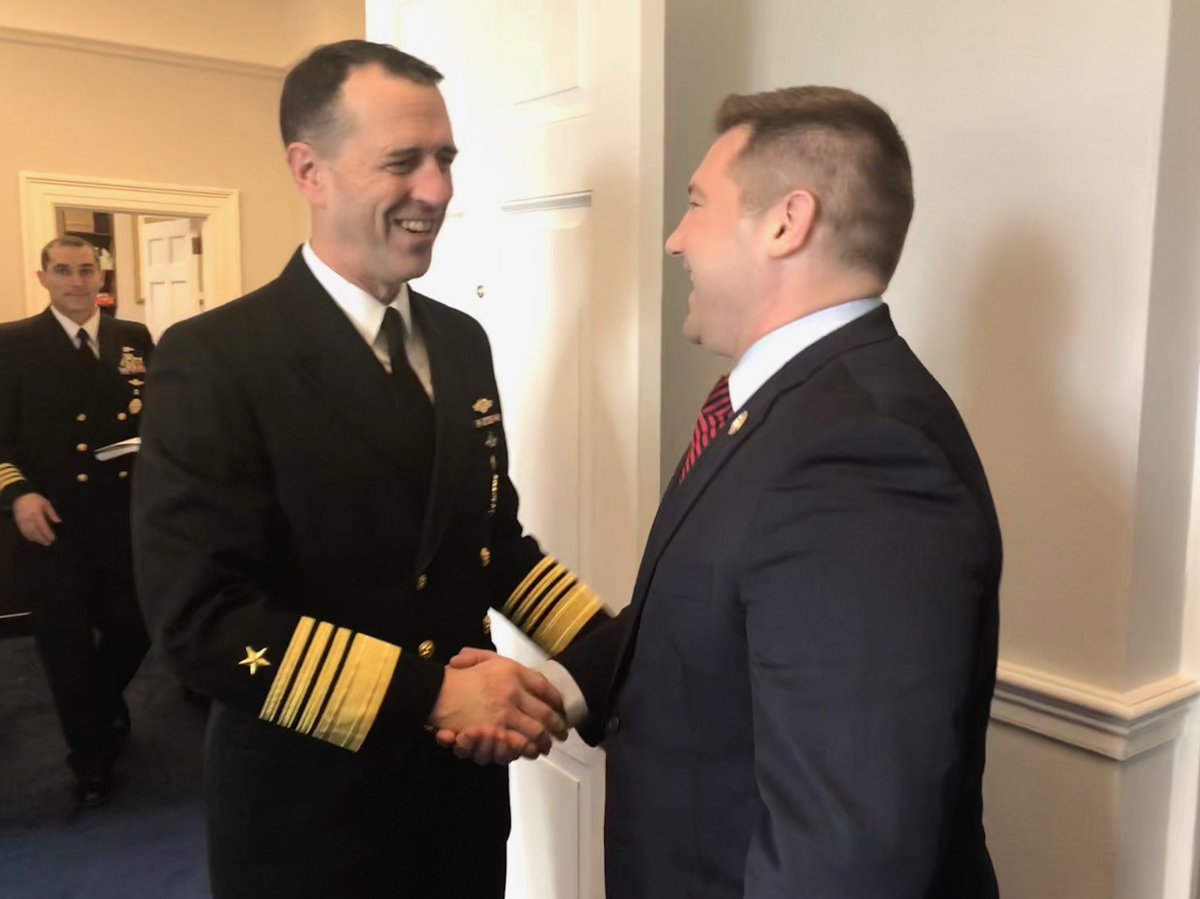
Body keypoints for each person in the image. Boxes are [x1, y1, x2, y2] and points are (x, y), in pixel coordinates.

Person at [448, 86, 1003, 898]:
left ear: (786, 222)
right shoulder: (792, 408)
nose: (675, 239)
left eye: (697, 203)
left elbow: (843, 854)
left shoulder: (859, 455)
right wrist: (558, 688)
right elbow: (709, 614)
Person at [131, 40, 608, 899]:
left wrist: (614, 648)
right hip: (309, 811)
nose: (438, 189)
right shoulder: (217, 358)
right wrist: (429, 696)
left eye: (445, 159)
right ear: (308, 171)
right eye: (403, 161)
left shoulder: (461, 341)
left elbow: (492, 543)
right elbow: (200, 619)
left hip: (459, 797)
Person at [0, 235, 154, 808]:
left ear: (100, 277)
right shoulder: (12, 342)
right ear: (43, 277)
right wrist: (18, 494)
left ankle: (100, 707)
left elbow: (155, 417)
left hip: (122, 515)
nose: (76, 281)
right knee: (65, 645)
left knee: (136, 626)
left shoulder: (132, 337)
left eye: (86, 270)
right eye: (63, 271)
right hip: (51, 519)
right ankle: (92, 759)